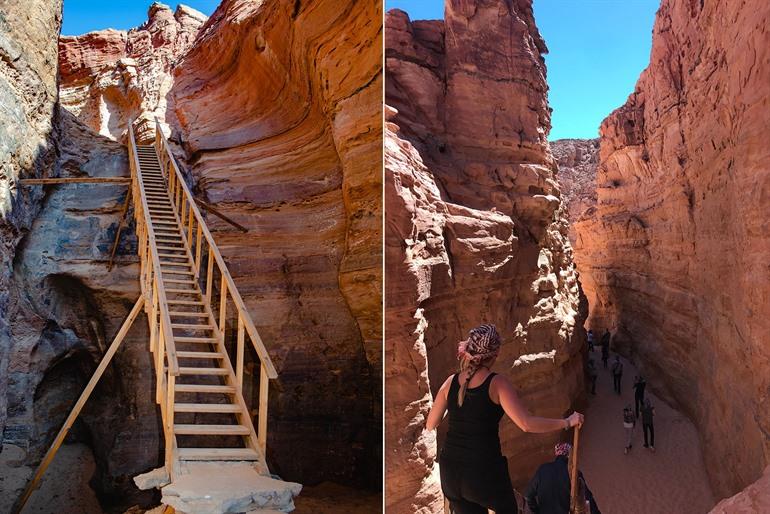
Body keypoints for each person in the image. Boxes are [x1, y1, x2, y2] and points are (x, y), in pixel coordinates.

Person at [427, 324, 585, 514]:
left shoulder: (450, 381)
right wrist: (567, 422)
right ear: (496, 353)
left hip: (450, 472)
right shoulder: (496, 383)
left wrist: (454, 405)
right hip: (483, 472)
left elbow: (431, 424)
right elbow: (526, 424)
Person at [525, 443, 602, 514]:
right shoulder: (574, 473)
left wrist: (537, 510)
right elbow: (588, 499)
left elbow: (528, 496)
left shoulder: (542, 470)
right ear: (570, 455)